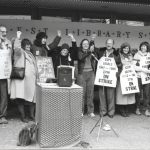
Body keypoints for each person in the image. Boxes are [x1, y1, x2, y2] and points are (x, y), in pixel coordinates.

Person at [10, 31, 38, 122]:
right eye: (26, 45)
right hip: (22, 81)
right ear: (23, 45)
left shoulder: (31, 54)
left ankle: (32, 115)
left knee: (32, 99)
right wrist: (18, 37)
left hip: (31, 81)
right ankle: (23, 116)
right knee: (21, 98)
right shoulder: (20, 52)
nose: (28, 46)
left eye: (29, 45)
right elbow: (16, 48)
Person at [96, 39, 122, 118]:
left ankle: (111, 112)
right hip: (102, 77)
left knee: (111, 96)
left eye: (110, 43)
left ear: (113, 44)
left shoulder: (116, 54)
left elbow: (120, 66)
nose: (108, 44)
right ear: (105, 43)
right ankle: (103, 111)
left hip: (111, 78)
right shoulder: (101, 52)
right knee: (102, 95)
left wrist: (117, 74)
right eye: (107, 43)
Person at [77, 38, 97, 117]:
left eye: (87, 44)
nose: (85, 45)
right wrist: (89, 51)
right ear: (81, 45)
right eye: (84, 43)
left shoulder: (91, 52)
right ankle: (80, 111)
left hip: (91, 73)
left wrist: (92, 41)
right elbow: (81, 58)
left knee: (90, 93)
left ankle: (90, 111)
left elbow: (93, 51)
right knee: (82, 93)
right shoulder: (79, 52)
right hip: (82, 74)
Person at [116, 42, 135, 117]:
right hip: (122, 77)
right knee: (122, 94)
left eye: (127, 48)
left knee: (128, 93)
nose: (126, 49)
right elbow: (116, 65)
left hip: (129, 77)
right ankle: (122, 110)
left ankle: (127, 109)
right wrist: (121, 65)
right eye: (124, 48)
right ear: (122, 48)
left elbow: (133, 65)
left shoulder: (131, 56)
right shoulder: (118, 55)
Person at [133, 41, 150, 117]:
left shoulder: (149, 55)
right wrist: (143, 70)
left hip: (147, 78)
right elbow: (134, 67)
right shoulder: (137, 55)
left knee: (147, 94)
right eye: (142, 46)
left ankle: (146, 109)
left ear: (147, 48)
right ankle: (137, 108)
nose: (143, 48)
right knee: (138, 94)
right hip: (139, 77)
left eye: (145, 46)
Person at [0, 25, 12, 124]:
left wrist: (11, 48)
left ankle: (2, 116)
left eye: (5, 31)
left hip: (3, 74)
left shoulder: (8, 42)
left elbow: (11, 56)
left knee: (4, 96)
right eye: (2, 31)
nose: (4, 33)